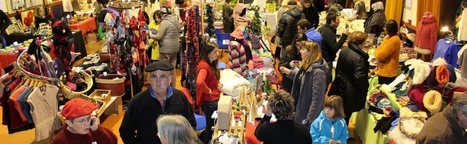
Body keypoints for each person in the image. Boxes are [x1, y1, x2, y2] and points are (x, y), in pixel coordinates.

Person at [119, 61, 196, 144]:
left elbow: (190, 124)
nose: (158, 82)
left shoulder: (180, 98)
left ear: (170, 79)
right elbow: (125, 131)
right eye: (154, 77)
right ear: (149, 80)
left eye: (163, 77)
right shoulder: (137, 102)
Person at [280, 41, 329, 126]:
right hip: (299, 109)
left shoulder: (318, 72)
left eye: (303, 49)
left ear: (310, 52)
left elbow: (317, 100)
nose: (300, 51)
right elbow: (302, 79)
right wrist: (289, 72)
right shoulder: (305, 65)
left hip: (306, 115)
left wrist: (309, 120)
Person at [330, 31, 370, 123]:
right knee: (345, 116)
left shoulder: (344, 50)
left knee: (340, 114)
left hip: (341, 87)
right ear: (361, 43)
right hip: (350, 91)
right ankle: (341, 136)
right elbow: (360, 79)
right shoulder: (359, 58)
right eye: (365, 42)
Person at [52, 98, 117, 144]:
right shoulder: (60, 141)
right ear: (69, 123)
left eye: (88, 118)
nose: (87, 124)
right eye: (81, 121)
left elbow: (113, 141)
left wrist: (98, 130)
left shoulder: (93, 130)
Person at [196, 42, 221, 143]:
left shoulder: (209, 64)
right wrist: (209, 91)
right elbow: (199, 82)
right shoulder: (204, 66)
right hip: (209, 102)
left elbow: (208, 80)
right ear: (208, 53)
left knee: (211, 125)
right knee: (211, 127)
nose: (218, 54)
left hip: (211, 100)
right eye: (215, 52)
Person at [149, 7, 181, 87]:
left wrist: (151, 35)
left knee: (163, 69)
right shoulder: (176, 21)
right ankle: (173, 87)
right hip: (175, 48)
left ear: (163, 15)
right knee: (172, 69)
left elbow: (159, 37)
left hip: (165, 49)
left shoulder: (164, 22)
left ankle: (164, 87)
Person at [318, 12, 348, 83]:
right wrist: (344, 36)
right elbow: (335, 48)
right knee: (326, 82)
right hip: (326, 60)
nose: (339, 22)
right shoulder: (328, 32)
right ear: (332, 21)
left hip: (322, 58)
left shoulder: (321, 28)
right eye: (337, 21)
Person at [375, 20, 401, 84]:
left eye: (385, 27)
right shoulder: (387, 37)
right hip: (384, 69)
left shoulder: (393, 40)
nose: (384, 29)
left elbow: (379, 55)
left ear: (389, 29)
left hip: (387, 72)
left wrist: (377, 51)